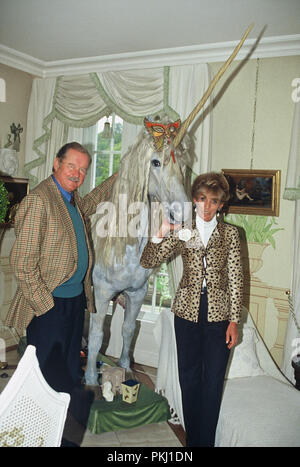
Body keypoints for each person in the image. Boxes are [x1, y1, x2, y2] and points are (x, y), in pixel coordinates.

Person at [5, 141, 116, 446]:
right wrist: (46, 306)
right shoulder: (40, 200)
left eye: (83, 169)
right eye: (72, 166)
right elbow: (22, 263)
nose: (78, 173)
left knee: (67, 375)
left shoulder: (70, 199)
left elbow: (93, 200)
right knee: (45, 381)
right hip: (50, 307)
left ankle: (59, 436)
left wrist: (122, 175)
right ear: (56, 163)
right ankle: (35, 436)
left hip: (74, 302)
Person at [140, 171, 243, 447]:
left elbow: (235, 278)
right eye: (201, 199)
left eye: (213, 201)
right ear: (195, 200)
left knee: (212, 382)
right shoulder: (184, 230)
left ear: (221, 204)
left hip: (219, 316)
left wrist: (235, 321)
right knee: (189, 380)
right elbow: (147, 261)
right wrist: (161, 232)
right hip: (186, 313)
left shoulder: (231, 234)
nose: (207, 207)